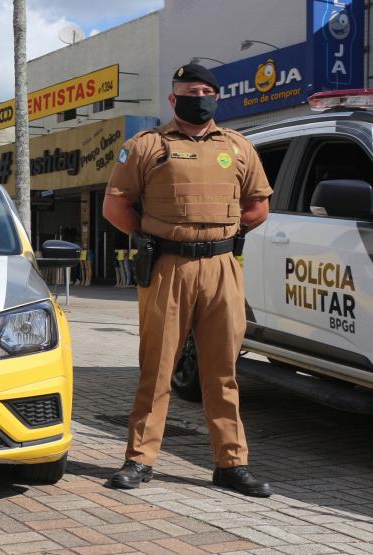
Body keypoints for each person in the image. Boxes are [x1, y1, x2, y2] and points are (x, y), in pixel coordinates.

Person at [102, 63, 273, 497]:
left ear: (216, 98)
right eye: (189, 91)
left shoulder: (237, 147)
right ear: (173, 99)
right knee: (157, 367)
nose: (199, 97)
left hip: (222, 269)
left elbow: (258, 206)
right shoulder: (147, 145)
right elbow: (116, 208)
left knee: (223, 370)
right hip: (168, 267)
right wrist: (155, 237)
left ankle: (231, 464)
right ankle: (139, 460)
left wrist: (225, 236)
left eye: (205, 90)